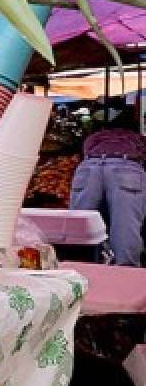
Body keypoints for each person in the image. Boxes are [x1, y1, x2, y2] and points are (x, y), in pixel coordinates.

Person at [70, 104, 146, 266]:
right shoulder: (138, 139)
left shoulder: (94, 137)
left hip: (89, 166)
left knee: (79, 224)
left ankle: (76, 265)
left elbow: (84, 152)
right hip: (126, 167)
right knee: (125, 225)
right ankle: (126, 274)